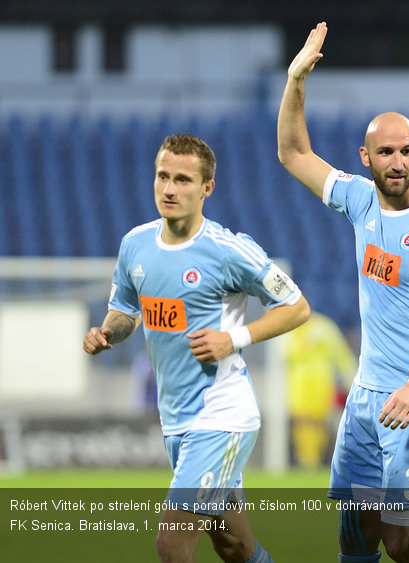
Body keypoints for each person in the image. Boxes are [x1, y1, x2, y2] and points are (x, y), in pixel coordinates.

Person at [277, 22, 409, 563]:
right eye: (385, 152)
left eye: (406, 151)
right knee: (356, 537)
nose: (397, 162)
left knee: (403, 545)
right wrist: (296, 79)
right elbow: (294, 153)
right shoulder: (360, 201)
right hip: (366, 400)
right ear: (365, 158)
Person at [83, 134, 310, 563]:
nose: (169, 189)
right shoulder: (136, 244)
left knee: (172, 545)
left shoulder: (229, 251)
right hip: (176, 422)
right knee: (235, 547)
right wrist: (106, 333)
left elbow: (297, 308)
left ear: (207, 188)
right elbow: (125, 312)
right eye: (163, 176)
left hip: (221, 415)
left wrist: (234, 339)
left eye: (183, 180)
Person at [277, 310, 357, 468]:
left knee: (319, 423)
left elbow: (342, 355)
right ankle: (306, 460)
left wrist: (351, 380)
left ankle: (315, 460)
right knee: (301, 422)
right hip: (298, 385)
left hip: (321, 383)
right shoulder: (289, 327)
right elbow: (283, 353)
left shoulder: (324, 326)